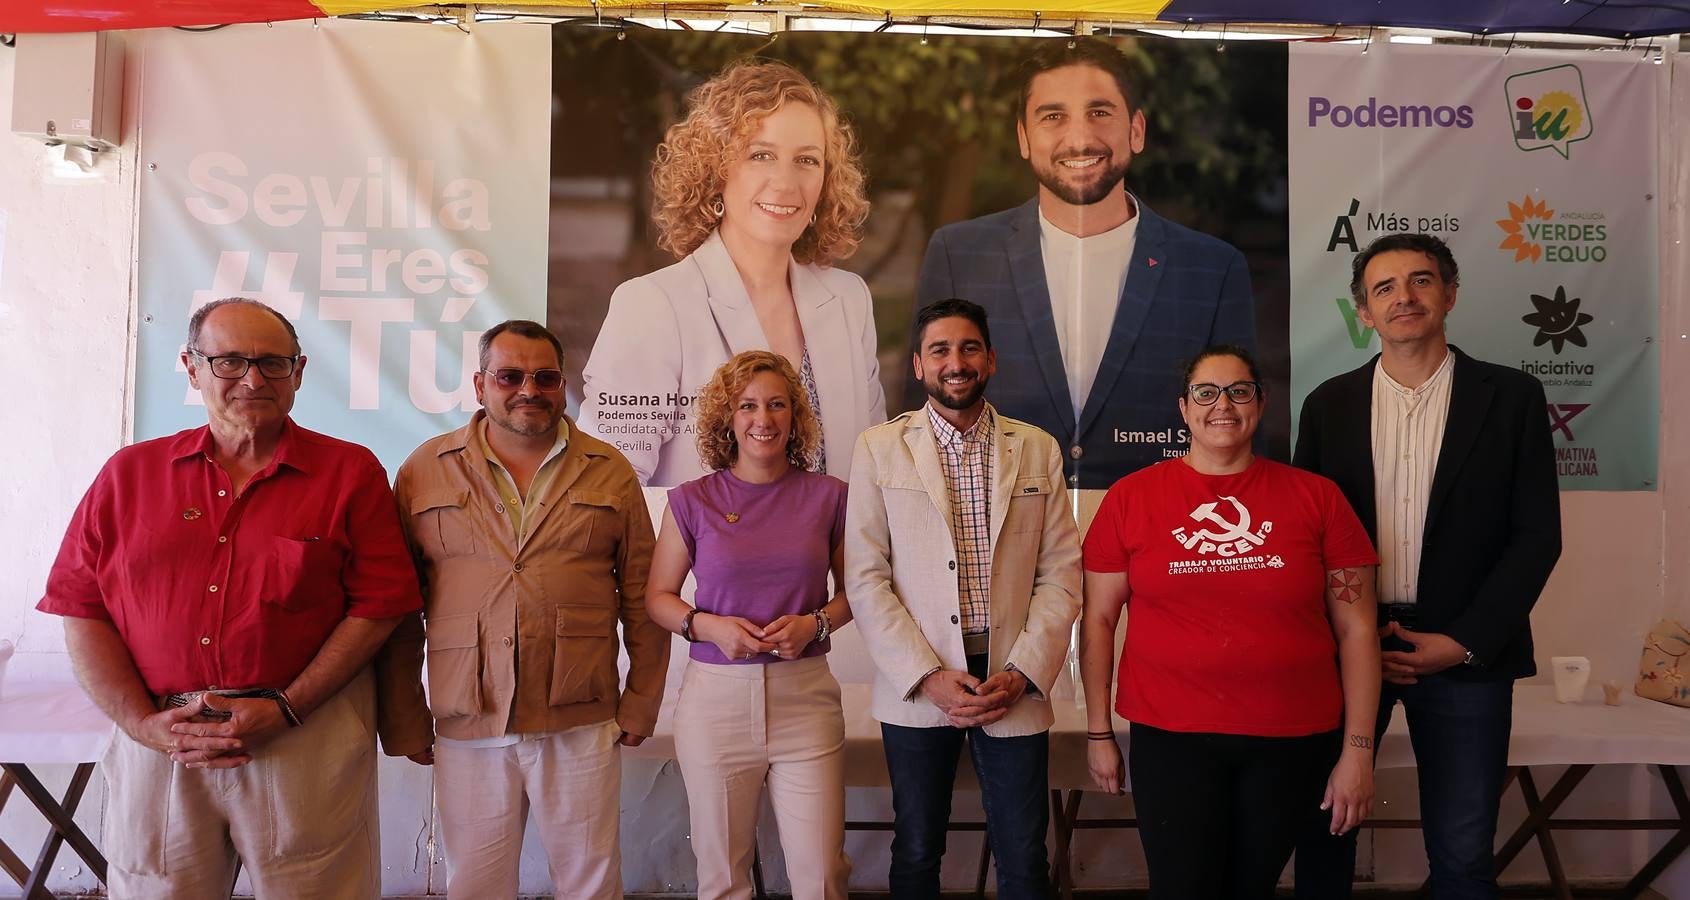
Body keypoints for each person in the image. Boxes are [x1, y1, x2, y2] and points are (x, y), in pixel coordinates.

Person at [37, 297, 420, 899]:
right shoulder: (128, 476)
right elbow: (81, 608)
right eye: (230, 361)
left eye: (272, 363)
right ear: (192, 368)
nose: (253, 379)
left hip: (302, 735)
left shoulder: (350, 473)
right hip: (162, 740)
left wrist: (288, 707)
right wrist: (142, 724)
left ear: (298, 372)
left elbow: (380, 606)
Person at [1292, 233, 1562, 899]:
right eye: (1384, 288)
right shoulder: (1328, 405)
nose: (1403, 297)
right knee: (1323, 835)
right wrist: (1342, 637)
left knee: (1465, 851)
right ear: (1363, 312)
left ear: (1449, 295)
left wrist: (1464, 642)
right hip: (1347, 652)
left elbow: (1536, 538)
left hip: (1466, 658)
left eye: (1420, 281)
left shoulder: (1513, 397)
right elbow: (1306, 542)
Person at [375, 320, 668, 899]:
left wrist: (641, 703)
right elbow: (399, 611)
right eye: (510, 376)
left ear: (563, 385)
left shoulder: (609, 470)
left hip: (579, 715)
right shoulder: (424, 470)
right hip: (468, 715)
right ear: (481, 384)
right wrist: (406, 715)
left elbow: (641, 597)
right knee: (476, 883)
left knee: (591, 880)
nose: (528, 389)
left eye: (545, 377)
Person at [1078, 344, 1380, 899]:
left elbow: (1358, 630)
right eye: (1207, 392)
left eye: (1240, 391)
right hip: (1172, 739)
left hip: (1291, 738)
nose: (1224, 404)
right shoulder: (1130, 499)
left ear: (1259, 404)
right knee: (1182, 889)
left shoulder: (1318, 499)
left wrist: (1358, 750)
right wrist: (1099, 732)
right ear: (1184, 407)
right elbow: (1097, 619)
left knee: (1252, 887)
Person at [915, 37, 1255, 489]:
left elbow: (1242, 438)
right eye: (1053, 116)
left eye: (1100, 112)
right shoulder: (959, 254)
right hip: (994, 538)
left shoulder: (1213, 269)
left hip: (1165, 542)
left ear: (1136, 129)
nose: (1078, 137)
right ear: (1023, 136)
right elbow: (918, 426)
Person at [845, 298, 1082, 898]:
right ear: (920, 367)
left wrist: (1023, 672)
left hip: (1012, 680)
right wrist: (926, 676)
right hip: (920, 683)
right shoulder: (879, 448)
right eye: (940, 350)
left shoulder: (1037, 448)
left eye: (969, 347)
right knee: (918, 848)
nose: (957, 361)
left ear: (991, 359)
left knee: (1025, 853)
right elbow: (866, 577)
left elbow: (1061, 574)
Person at [581, 60, 884, 487]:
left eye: (807, 160)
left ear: (826, 181)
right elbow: (608, 491)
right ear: (717, 171)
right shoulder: (651, 306)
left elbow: (875, 475)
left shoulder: (850, 300)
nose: (785, 181)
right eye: (761, 155)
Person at [644, 350, 854, 900]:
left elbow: (856, 594)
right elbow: (658, 598)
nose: (764, 419)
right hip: (716, 703)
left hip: (805, 699)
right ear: (728, 419)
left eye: (777, 405)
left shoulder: (829, 495)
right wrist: (709, 627)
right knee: (722, 878)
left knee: (824, 876)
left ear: (795, 417)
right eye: (749, 406)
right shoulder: (691, 501)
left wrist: (815, 625)